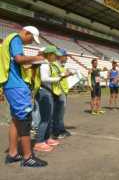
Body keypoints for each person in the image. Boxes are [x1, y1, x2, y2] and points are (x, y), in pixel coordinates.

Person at [1, 26, 47, 167]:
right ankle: (27, 157)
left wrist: (32, 64)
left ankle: (13, 154)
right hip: (16, 85)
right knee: (25, 119)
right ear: (26, 33)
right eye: (31, 39)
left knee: (16, 120)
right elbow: (19, 58)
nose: (31, 42)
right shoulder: (15, 39)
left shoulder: (9, 40)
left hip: (11, 84)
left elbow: (16, 63)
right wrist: (37, 58)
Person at [34, 46, 70, 152]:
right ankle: (39, 142)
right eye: (55, 54)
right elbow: (44, 78)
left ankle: (46, 138)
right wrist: (60, 77)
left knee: (49, 117)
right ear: (50, 55)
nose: (57, 56)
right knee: (45, 118)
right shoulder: (44, 64)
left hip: (48, 91)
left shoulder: (47, 63)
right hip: (44, 91)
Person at [52, 48, 73, 139]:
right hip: (59, 92)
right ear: (61, 56)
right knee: (58, 113)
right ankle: (57, 132)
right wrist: (65, 74)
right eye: (65, 56)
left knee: (60, 113)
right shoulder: (55, 65)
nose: (67, 58)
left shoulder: (61, 66)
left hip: (63, 91)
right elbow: (55, 78)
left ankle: (60, 129)